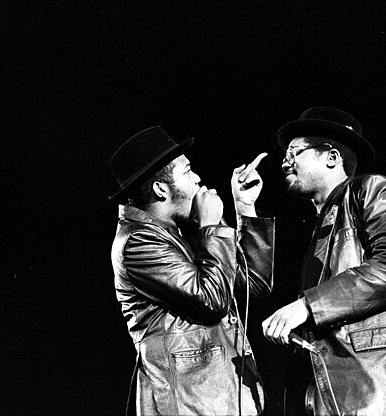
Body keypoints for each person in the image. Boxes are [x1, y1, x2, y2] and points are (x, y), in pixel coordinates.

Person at [108, 126, 274, 416]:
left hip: (215, 398)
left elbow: (254, 284)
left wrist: (244, 208)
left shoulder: (178, 233)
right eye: (187, 171)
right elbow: (211, 300)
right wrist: (212, 227)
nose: (198, 179)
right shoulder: (138, 241)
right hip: (190, 404)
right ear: (161, 188)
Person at [262, 107, 386, 415]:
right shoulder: (319, 224)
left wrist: (306, 306)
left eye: (296, 151)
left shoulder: (368, 190)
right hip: (328, 394)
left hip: (370, 390)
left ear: (331, 157)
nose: (284, 160)